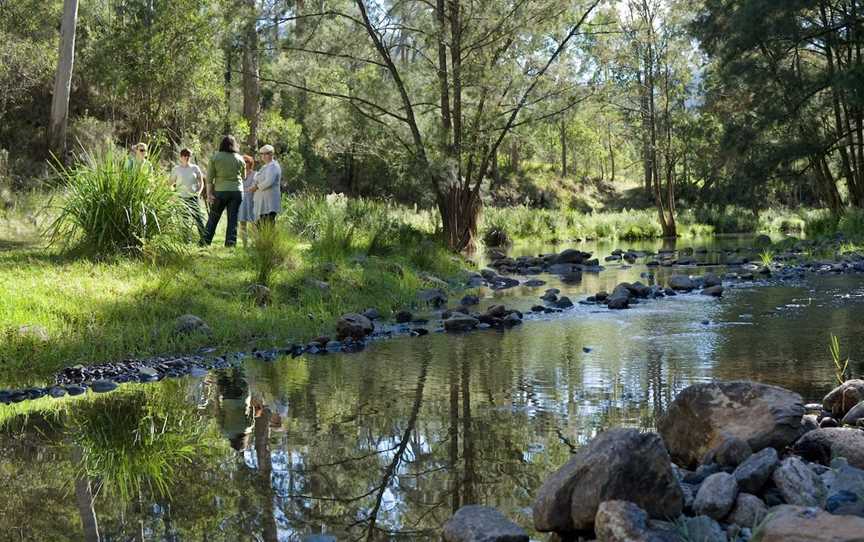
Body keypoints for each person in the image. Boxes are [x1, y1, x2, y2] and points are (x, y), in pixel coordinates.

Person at [203, 135, 245, 247]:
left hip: (220, 191)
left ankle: (205, 241)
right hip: (237, 192)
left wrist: (209, 194)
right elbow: (244, 176)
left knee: (214, 217)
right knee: (233, 218)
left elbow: (209, 178)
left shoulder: (215, 157)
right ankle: (230, 244)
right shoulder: (240, 158)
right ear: (234, 144)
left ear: (221, 144)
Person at [169, 148, 206, 241]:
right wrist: (173, 194)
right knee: (185, 219)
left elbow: (201, 182)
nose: (187, 157)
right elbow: (170, 184)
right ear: (180, 157)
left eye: (188, 155)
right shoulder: (176, 169)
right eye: (185, 155)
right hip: (181, 198)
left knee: (198, 219)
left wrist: (199, 192)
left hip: (193, 197)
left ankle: (204, 239)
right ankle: (186, 240)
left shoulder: (195, 168)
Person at [248, 144, 282, 226]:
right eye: (261, 154)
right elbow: (257, 179)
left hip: (269, 202)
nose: (263, 156)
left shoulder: (274, 166)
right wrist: (254, 185)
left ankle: (269, 239)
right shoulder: (264, 167)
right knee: (261, 224)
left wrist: (256, 187)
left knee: (268, 225)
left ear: (271, 154)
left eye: (265, 153)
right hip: (262, 202)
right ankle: (262, 239)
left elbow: (269, 181)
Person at [238, 155, 257, 247]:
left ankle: (254, 243)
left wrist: (244, 189)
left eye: (247, 161)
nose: (245, 164)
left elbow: (254, 187)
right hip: (241, 201)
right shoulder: (238, 174)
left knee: (253, 223)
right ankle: (244, 245)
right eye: (243, 161)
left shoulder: (255, 174)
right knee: (242, 223)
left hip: (251, 201)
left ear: (250, 163)